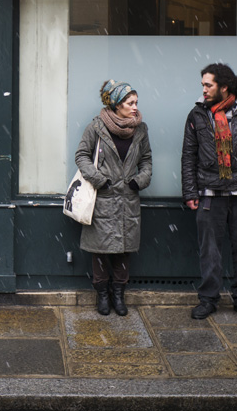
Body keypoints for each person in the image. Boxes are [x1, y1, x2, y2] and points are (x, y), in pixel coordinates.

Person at [181, 63, 237, 321]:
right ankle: (208, 299)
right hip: (209, 194)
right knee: (210, 251)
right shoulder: (197, 115)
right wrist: (190, 192)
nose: (204, 90)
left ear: (224, 87)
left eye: (208, 85)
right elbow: (189, 156)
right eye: (203, 85)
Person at [75, 79, 152, 316]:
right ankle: (102, 296)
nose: (135, 107)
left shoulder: (140, 129)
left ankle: (119, 295)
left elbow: (147, 160)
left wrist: (139, 181)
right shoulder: (96, 127)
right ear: (117, 104)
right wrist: (99, 179)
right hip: (103, 199)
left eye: (136, 102)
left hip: (128, 199)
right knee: (100, 251)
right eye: (130, 102)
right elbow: (81, 156)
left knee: (123, 251)